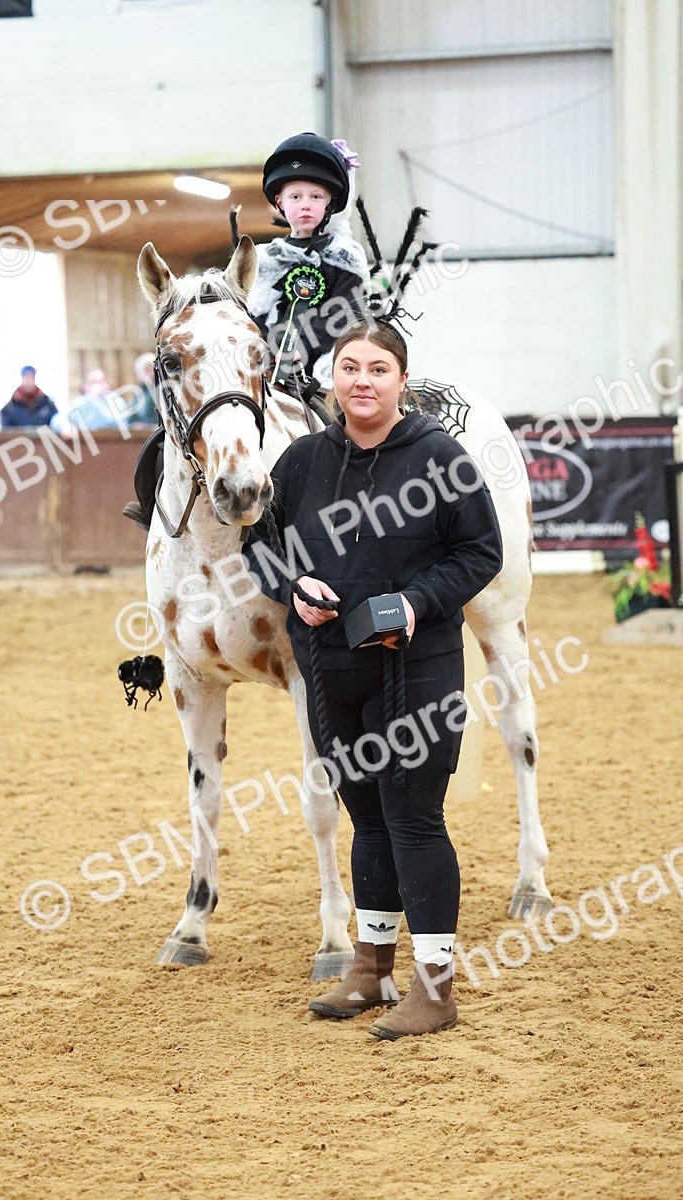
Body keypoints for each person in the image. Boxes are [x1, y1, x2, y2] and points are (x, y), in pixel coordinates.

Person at [242, 320, 503, 1040]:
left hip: (415, 669)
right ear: (333, 379)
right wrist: (291, 586)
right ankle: (372, 968)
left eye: (378, 368)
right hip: (334, 669)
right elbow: (258, 544)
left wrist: (416, 602)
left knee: (414, 817)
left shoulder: (440, 456)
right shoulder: (298, 462)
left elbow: (481, 551)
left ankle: (435, 987)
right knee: (367, 818)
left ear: (400, 380)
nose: (363, 380)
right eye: (350, 366)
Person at [247, 132, 370, 391]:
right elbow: (254, 314)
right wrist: (270, 349)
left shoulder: (345, 256)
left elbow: (347, 312)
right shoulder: (267, 259)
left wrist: (302, 346)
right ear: (279, 202)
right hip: (272, 364)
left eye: (316, 197)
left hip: (330, 364)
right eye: (295, 197)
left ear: (330, 203)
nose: (306, 205)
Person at [50, 368, 121, 436]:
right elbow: (57, 419)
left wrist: (96, 402)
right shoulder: (80, 402)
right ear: (85, 386)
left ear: (107, 384)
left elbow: (121, 424)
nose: (98, 385)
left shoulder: (116, 400)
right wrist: (65, 426)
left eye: (101, 382)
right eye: (93, 382)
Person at [132, 353, 159, 428]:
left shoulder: (163, 389)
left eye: (148, 369)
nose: (145, 373)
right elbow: (132, 417)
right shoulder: (139, 392)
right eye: (142, 370)